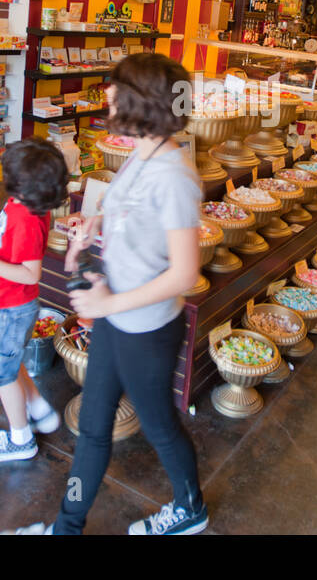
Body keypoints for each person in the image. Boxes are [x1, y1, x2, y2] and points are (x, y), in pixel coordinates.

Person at [15, 53, 206, 536]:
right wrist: (97, 223)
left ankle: (190, 507)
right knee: (93, 429)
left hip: (145, 329)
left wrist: (107, 306)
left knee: (159, 424)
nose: (107, 94)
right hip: (117, 319)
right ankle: (66, 527)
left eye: (115, 87)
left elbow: (184, 272)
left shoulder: (176, 176)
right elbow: (131, 212)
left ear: (141, 99)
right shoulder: (141, 152)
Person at [0, 139, 69, 462]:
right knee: (9, 358)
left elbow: (30, 273)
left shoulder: (26, 216)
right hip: (4, 305)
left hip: (9, 307)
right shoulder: (25, 206)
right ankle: (38, 408)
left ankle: (20, 438)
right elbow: (11, 235)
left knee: (2, 373)